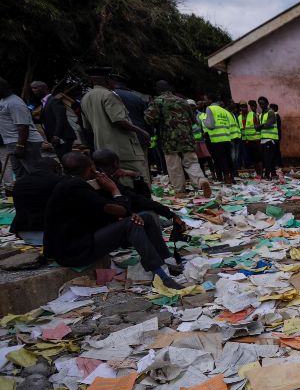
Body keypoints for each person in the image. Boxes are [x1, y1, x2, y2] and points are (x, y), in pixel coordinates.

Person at [44, 152, 183, 289]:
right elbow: (118, 209)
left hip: (78, 242)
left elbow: (135, 200)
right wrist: (114, 189)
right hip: (74, 250)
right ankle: (161, 276)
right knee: (132, 224)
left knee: (145, 217)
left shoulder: (74, 183)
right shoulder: (75, 187)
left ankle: (166, 261)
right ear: (90, 168)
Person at [79, 67, 150, 186]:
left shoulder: (85, 98)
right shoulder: (109, 95)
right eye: (112, 80)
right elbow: (119, 120)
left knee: (117, 181)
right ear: (106, 80)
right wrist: (142, 132)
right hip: (124, 148)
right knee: (139, 178)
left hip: (103, 150)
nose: (114, 84)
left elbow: (87, 127)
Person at [144, 80, 212, 197]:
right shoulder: (183, 101)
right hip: (187, 138)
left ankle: (180, 191)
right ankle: (201, 181)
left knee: (174, 165)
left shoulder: (157, 102)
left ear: (158, 90)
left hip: (169, 140)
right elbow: (193, 120)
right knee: (191, 162)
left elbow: (149, 119)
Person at [0, 77, 44, 184]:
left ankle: (41, 191)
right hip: (12, 142)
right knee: (19, 173)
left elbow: (23, 126)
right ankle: (26, 191)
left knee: (34, 172)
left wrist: (20, 146)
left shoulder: (15, 103)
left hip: (25, 143)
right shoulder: (3, 100)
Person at [10, 158, 62, 245]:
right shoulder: (58, 181)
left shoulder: (20, 183)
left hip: (23, 231)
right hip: (50, 232)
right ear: (56, 169)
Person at [31, 81, 77, 159]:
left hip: (62, 137)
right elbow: (45, 120)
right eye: (32, 88)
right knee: (63, 159)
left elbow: (61, 119)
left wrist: (56, 135)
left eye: (35, 88)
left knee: (66, 160)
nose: (33, 90)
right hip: (56, 137)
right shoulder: (44, 102)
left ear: (44, 88)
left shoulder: (54, 101)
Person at [203, 94, 237, 184]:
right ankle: (232, 177)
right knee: (228, 158)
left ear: (210, 100)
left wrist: (204, 121)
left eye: (206, 99)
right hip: (226, 137)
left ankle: (226, 178)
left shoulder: (209, 108)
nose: (205, 101)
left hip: (216, 138)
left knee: (221, 159)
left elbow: (211, 125)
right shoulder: (224, 110)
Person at [255, 100, 279, 180]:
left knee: (267, 159)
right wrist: (261, 126)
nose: (261, 105)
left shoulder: (271, 112)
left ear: (267, 104)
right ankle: (274, 174)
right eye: (260, 104)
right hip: (263, 139)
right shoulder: (261, 114)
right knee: (269, 158)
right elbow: (257, 127)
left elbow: (269, 124)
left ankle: (267, 175)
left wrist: (260, 126)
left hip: (270, 139)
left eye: (263, 104)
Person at [236, 101, 260, 174]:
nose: (243, 108)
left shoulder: (253, 114)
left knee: (257, 157)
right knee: (248, 157)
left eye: (245, 107)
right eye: (242, 107)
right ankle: (252, 171)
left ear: (247, 107)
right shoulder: (239, 117)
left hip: (255, 139)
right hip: (245, 140)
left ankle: (259, 172)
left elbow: (258, 125)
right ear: (240, 108)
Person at [270, 103, 284, 176]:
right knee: (276, 150)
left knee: (275, 151)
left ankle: (277, 164)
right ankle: (278, 164)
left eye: (271, 108)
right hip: (276, 135)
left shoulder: (275, 115)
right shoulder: (276, 115)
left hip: (275, 136)